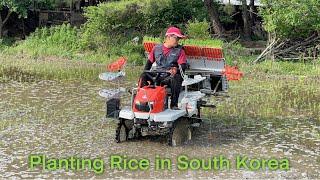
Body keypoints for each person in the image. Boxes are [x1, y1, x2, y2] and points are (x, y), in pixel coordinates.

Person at [140, 27, 188, 110]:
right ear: (168, 37)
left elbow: (182, 66)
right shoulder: (156, 48)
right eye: (176, 38)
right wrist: (145, 73)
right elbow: (148, 64)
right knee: (143, 75)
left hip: (170, 76)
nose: (178, 41)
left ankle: (174, 104)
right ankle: (142, 100)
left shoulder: (180, 50)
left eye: (179, 39)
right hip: (157, 75)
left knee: (176, 78)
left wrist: (175, 70)